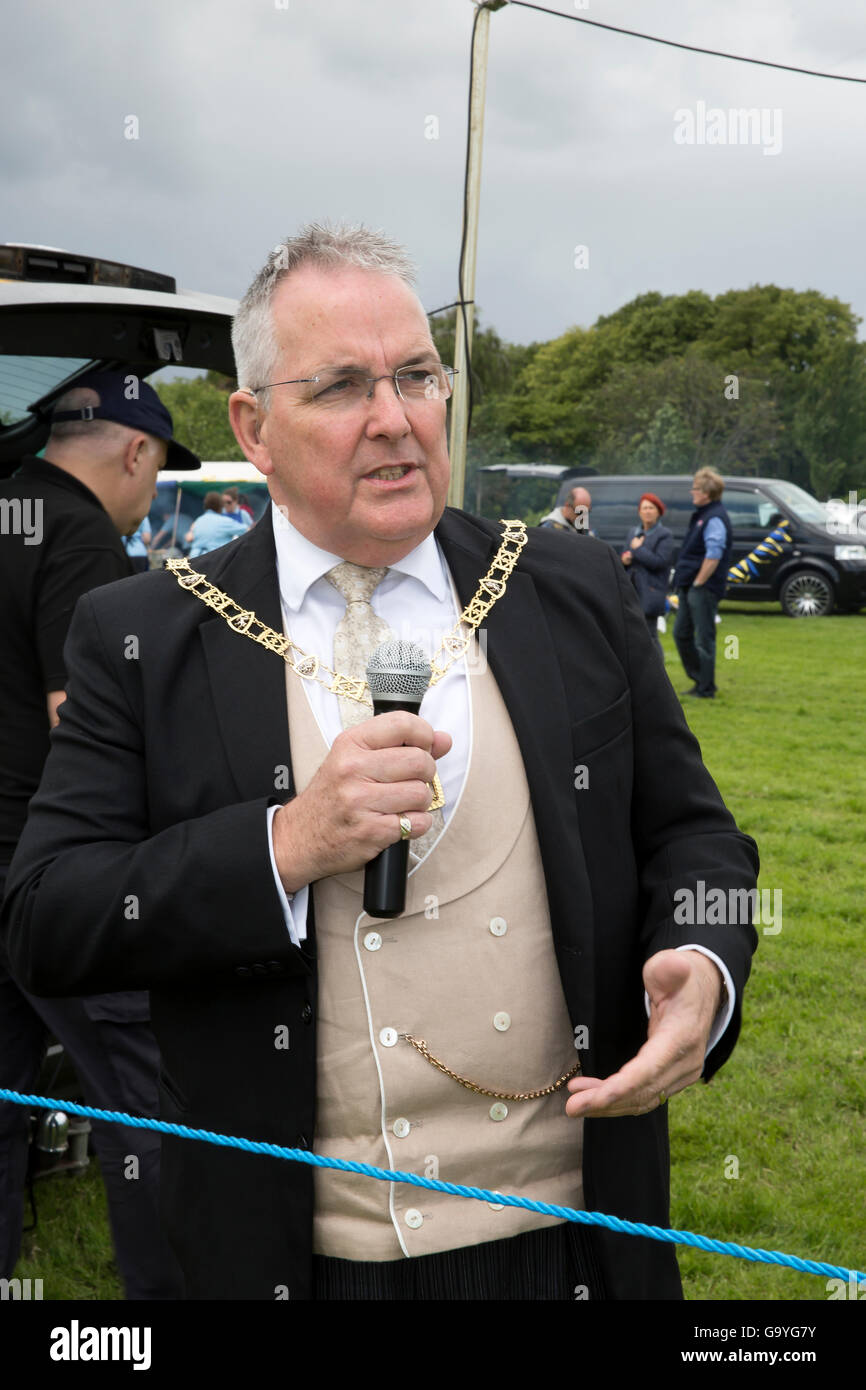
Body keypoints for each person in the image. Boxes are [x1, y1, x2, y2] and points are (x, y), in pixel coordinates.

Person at [2, 226, 758, 1302]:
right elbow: (45, 910)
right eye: (344, 385)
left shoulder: (569, 588)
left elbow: (693, 835)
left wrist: (704, 957)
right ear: (253, 428)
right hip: (298, 1259)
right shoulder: (146, 632)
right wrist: (285, 846)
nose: (394, 417)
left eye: (415, 375)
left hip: (572, 1243)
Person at [0, 371, 196, 1298]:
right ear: (135, 451)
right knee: (144, 1096)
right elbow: (78, 719)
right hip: (50, 871)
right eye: (154, 476)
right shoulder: (79, 533)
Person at [672, 469, 734, 698]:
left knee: (704, 638)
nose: (692, 492)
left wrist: (699, 582)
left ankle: (706, 688)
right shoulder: (702, 514)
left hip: (703, 587)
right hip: (690, 585)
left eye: (695, 489)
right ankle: (700, 678)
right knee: (681, 633)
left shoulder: (714, 517)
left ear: (707, 493)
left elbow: (714, 554)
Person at [620, 492, 674, 645]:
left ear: (658, 512)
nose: (647, 511)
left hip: (651, 592)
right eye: (644, 508)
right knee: (631, 635)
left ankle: (657, 667)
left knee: (649, 636)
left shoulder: (665, 535)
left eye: (651, 508)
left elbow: (659, 562)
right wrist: (624, 559)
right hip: (631, 591)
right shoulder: (633, 532)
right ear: (639, 512)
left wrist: (638, 550)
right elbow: (624, 555)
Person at [185, 490, 247, 557]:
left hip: (195, 559)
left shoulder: (198, 520)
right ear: (220, 506)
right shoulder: (225, 522)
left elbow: (188, 538)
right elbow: (247, 530)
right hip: (214, 561)